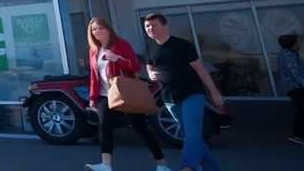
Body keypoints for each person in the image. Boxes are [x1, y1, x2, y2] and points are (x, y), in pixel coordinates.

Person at [84, 17, 170, 171]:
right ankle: (106, 165)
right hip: (105, 94)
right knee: (104, 126)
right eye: (93, 30)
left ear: (108, 29)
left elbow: (135, 66)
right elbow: (93, 75)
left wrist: (117, 59)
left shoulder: (121, 44)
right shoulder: (93, 50)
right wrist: (92, 97)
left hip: (125, 92)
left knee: (140, 127)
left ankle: (162, 164)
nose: (96, 31)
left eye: (100, 28)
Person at [144, 13, 224, 171]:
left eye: (154, 25)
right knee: (190, 135)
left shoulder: (182, 45)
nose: (150, 28)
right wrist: (151, 74)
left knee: (192, 130)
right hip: (169, 97)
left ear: (165, 26)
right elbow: (150, 67)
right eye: (147, 26)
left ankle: (188, 166)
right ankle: (212, 168)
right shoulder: (150, 46)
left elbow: (200, 69)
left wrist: (214, 91)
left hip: (192, 93)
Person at [277, 33, 304, 146]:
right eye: (298, 41)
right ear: (293, 43)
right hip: (297, 88)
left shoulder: (291, 54)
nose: (300, 43)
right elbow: (294, 71)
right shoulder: (287, 54)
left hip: (299, 87)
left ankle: (298, 134)